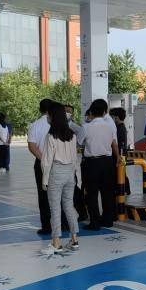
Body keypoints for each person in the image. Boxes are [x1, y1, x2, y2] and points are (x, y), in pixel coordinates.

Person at [40, 103, 81, 256]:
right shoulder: (72, 136)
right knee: (69, 206)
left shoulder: (51, 137)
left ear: (53, 117)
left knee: (55, 209)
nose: (47, 117)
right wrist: (75, 176)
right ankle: (74, 240)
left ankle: (56, 243)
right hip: (70, 173)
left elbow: (46, 161)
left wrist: (45, 180)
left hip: (56, 173)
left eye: (49, 115)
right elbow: (75, 158)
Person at [82, 99, 120, 229]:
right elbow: (114, 143)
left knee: (92, 193)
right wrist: (118, 157)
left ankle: (95, 222)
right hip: (108, 162)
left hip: (92, 163)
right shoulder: (110, 126)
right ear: (105, 112)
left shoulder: (86, 127)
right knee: (107, 193)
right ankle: (108, 220)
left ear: (91, 111)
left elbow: (79, 142)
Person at [28, 99, 57, 236]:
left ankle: (46, 226)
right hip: (58, 163)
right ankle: (63, 224)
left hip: (41, 163)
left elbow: (32, 146)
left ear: (40, 109)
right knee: (59, 194)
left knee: (43, 195)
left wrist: (44, 159)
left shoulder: (35, 125)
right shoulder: (58, 123)